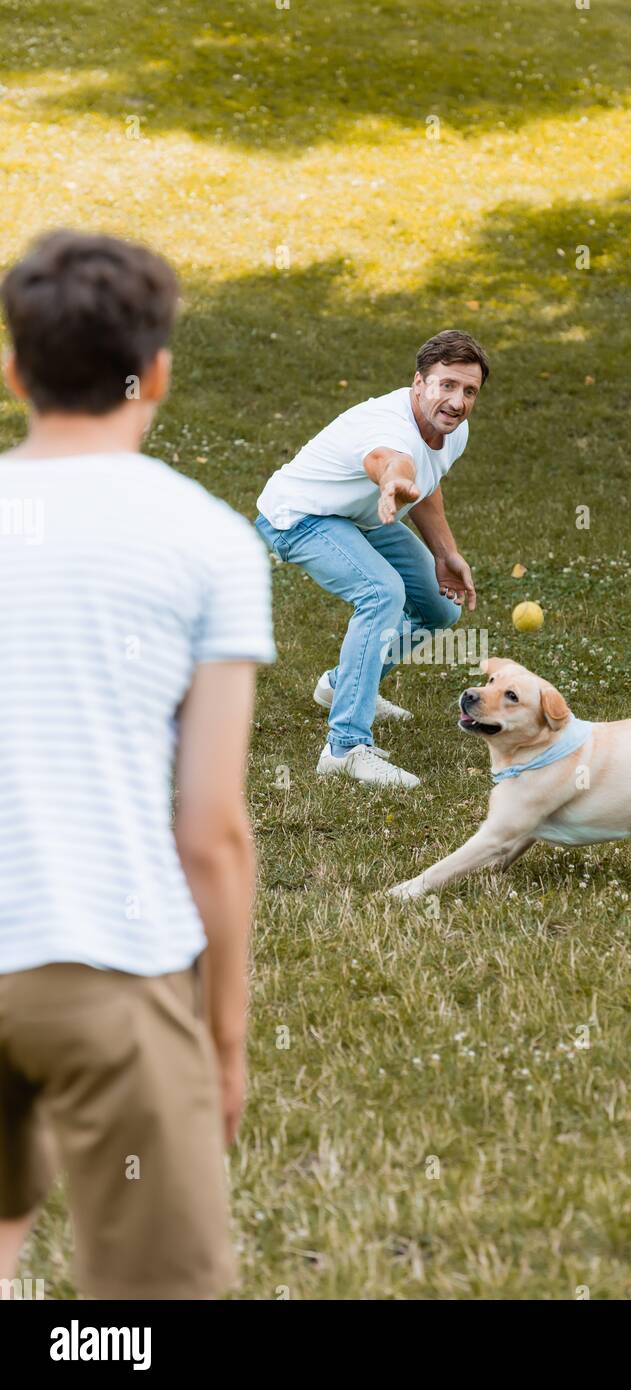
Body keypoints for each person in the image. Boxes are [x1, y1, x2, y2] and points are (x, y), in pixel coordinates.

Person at [0, 231, 275, 1300]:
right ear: (156, 371)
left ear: (15, 371)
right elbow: (209, 828)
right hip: (109, 979)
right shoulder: (206, 542)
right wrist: (223, 1036)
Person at [255, 329, 488, 788]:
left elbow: (427, 482)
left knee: (440, 608)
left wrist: (446, 553)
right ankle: (345, 746)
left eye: (469, 390)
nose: (458, 401)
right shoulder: (389, 425)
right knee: (381, 592)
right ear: (418, 383)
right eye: (447, 385)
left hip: (360, 518)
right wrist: (392, 480)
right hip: (300, 515)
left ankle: (343, 684)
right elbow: (390, 459)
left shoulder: (451, 431)